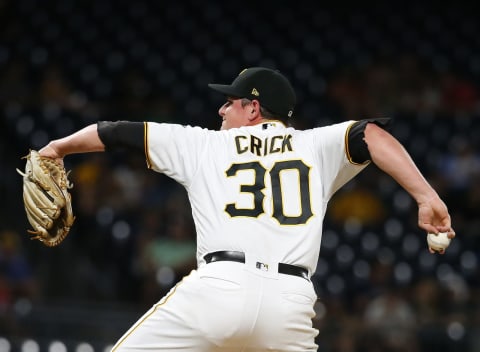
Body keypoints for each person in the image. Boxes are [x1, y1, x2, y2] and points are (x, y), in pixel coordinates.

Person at [37, 67, 455, 351]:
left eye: (231, 102)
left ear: (253, 108)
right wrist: (426, 197)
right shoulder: (316, 145)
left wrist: (57, 148)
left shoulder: (205, 144)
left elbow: (115, 132)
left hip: (219, 288)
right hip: (290, 305)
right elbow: (372, 135)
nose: (221, 109)